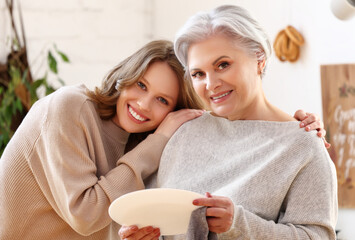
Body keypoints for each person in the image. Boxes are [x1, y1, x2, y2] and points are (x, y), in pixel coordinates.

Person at [119, 5, 337, 240]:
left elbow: (317, 236)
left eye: (223, 65)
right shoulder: (184, 130)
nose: (211, 84)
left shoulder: (303, 146)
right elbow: (156, 217)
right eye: (198, 74)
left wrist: (239, 224)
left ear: (259, 59)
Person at [0, 40, 205, 239]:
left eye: (162, 100)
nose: (143, 104)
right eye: (141, 85)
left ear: (173, 111)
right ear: (126, 76)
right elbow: (85, 216)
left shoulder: (138, 147)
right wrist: (159, 139)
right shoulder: (69, 108)